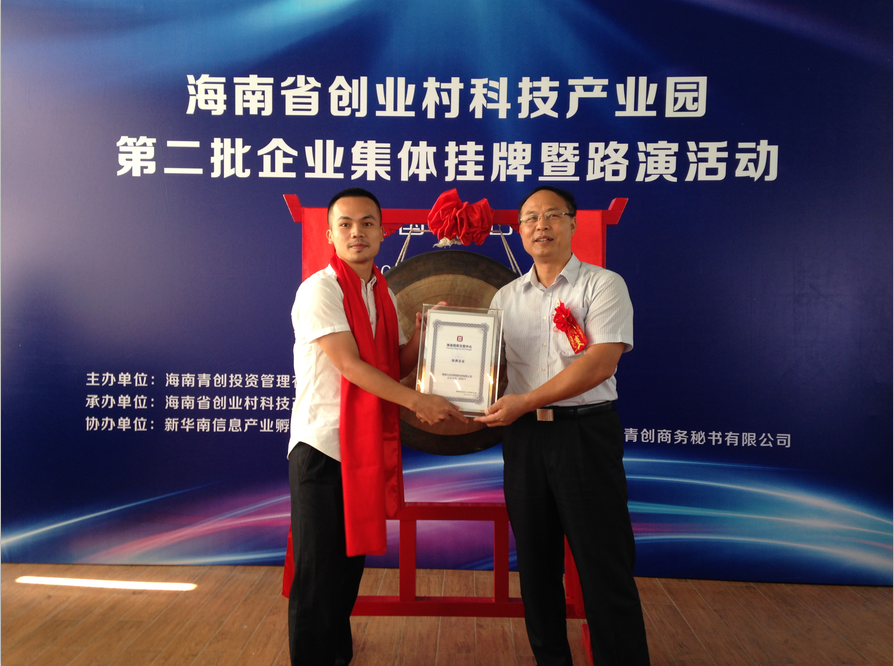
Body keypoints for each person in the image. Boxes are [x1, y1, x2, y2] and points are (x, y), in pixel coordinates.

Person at [287, 187, 467, 666]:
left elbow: (393, 363)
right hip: (323, 448)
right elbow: (351, 365)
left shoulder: (381, 292)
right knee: (317, 577)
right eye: (345, 224)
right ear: (329, 234)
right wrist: (418, 402)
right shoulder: (321, 289)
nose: (357, 232)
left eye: (367, 223)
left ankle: (336, 657)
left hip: (361, 450)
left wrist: (426, 332)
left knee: (347, 568)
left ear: (383, 232)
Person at [476, 186, 650, 665]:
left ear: (572, 223)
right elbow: (487, 368)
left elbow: (600, 363)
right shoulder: (506, 297)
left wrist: (526, 401)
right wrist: (445, 337)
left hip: (584, 435)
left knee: (604, 566)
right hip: (525, 440)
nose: (541, 226)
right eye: (530, 217)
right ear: (520, 230)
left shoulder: (602, 285)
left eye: (552, 215)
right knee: (536, 569)